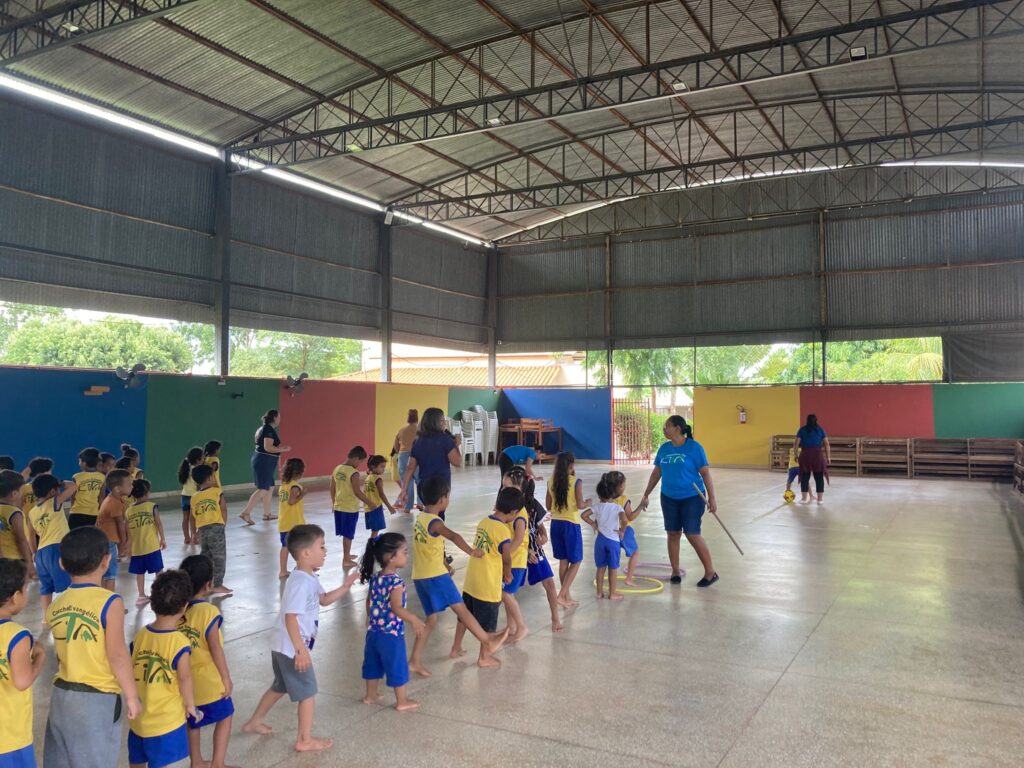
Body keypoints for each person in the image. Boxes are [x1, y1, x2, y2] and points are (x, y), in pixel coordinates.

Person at [242, 524, 360, 753]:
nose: (326, 551)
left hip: (283, 646)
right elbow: (290, 617)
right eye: (322, 547)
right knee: (308, 692)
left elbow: (324, 599)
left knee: (280, 686)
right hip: (291, 648)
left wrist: (346, 586)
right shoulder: (300, 583)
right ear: (306, 553)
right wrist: (300, 650)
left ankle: (254, 722)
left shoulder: (308, 577)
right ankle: (304, 740)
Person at [45, 526, 142, 768]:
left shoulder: (55, 606)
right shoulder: (110, 602)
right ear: (106, 561)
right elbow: (118, 655)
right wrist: (131, 696)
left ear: (62, 564)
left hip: (61, 696)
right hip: (96, 700)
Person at [407, 476, 508, 678]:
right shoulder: (436, 522)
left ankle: (414, 661)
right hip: (436, 577)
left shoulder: (421, 519)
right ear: (443, 499)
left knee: (432, 619)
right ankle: (487, 640)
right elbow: (453, 536)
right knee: (462, 610)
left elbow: (427, 547)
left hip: (420, 576)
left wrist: (445, 564)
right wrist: (471, 551)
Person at [638, 415, 719, 588]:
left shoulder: (694, 448)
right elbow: (656, 473)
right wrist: (646, 494)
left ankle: (710, 572)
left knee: (692, 533)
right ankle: (675, 571)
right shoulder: (664, 449)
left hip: (692, 497)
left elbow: (705, 473)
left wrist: (712, 498)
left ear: (677, 428)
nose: (664, 429)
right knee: (673, 533)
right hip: (668, 497)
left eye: (666, 426)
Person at [127, 570, 198, 768]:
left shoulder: (141, 635)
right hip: (167, 726)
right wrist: (191, 706)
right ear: (185, 607)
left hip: (139, 723)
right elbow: (184, 679)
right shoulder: (179, 643)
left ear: (152, 603)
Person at [451, 487, 523, 669]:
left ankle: (456, 647)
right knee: (489, 624)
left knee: (465, 616)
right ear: (514, 512)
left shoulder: (484, 522)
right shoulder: (503, 531)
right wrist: (507, 574)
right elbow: (506, 557)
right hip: (488, 585)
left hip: (472, 581)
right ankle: (484, 658)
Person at [179, 554, 236, 768]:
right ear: (208, 584)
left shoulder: (178, 610)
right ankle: (217, 764)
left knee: (193, 722)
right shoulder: (209, 611)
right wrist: (226, 677)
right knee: (226, 716)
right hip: (209, 681)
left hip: (184, 682)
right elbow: (214, 647)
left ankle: (196, 762)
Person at [359, 533, 424, 711]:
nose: (407, 555)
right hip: (391, 634)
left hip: (373, 632)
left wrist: (369, 617)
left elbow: (369, 601)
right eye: (404, 552)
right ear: (391, 557)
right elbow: (396, 607)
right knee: (397, 665)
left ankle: (370, 695)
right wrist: (414, 619)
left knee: (372, 663)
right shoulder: (396, 582)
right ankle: (402, 701)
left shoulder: (376, 577)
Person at [0, 558, 46, 768]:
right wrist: (39, 658)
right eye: (25, 589)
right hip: (10, 736)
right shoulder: (17, 635)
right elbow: (22, 681)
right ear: (16, 596)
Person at [396, 407, 462, 512]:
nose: (444, 423)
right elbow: (457, 462)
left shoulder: (418, 441)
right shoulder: (446, 440)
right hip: (440, 487)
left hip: (424, 487)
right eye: (442, 420)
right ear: (435, 422)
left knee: (428, 515)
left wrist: (404, 489)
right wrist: (457, 445)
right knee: (437, 519)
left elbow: (410, 468)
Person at [546, 452, 590, 608]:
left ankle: (566, 597)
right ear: (571, 466)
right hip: (570, 525)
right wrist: (588, 502)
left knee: (563, 560)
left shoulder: (551, 481)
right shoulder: (576, 482)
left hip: (556, 524)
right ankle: (561, 595)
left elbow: (547, 506)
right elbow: (580, 505)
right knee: (577, 561)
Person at [28, 473, 76, 611]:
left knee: (46, 588)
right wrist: (60, 482)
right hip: (57, 548)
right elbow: (74, 487)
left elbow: (30, 536)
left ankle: (46, 618)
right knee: (66, 584)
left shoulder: (32, 512)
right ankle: (67, 610)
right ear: (52, 491)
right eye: (57, 489)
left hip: (41, 552)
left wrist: (34, 552)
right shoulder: (54, 501)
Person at [524, 476, 563, 633]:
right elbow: (507, 536)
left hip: (536, 551)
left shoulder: (533, 505)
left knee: (550, 584)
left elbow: (541, 528)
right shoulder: (510, 507)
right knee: (506, 591)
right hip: (517, 554)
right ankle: (513, 625)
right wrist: (525, 551)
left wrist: (544, 537)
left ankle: (555, 618)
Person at [240, 410, 290, 526]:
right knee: (263, 488)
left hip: (265, 461)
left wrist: (279, 450)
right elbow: (268, 448)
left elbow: (268, 446)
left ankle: (267, 514)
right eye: (279, 417)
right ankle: (246, 512)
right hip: (263, 461)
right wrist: (283, 449)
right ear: (274, 418)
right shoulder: (268, 430)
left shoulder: (264, 429)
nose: (279, 419)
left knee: (270, 486)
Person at [583, 475, 627, 601]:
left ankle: (599, 593)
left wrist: (592, 523)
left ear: (599, 495)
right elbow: (624, 519)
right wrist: (622, 531)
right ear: (613, 494)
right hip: (613, 541)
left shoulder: (597, 507)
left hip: (600, 541)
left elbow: (584, 515)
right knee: (613, 569)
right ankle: (612, 594)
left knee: (600, 568)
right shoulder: (618, 507)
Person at [498, 468, 530, 644]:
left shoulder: (519, 513)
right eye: (502, 486)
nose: (503, 490)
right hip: (510, 559)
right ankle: (510, 627)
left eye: (506, 486)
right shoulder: (512, 509)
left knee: (505, 593)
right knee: (508, 593)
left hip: (515, 561)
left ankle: (521, 625)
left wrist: (505, 554)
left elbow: (518, 539)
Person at [330, 446, 374, 568]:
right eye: (360, 462)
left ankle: (347, 555)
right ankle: (346, 559)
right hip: (349, 508)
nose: (360, 465)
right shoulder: (354, 473)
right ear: (355, 459)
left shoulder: (337, 469)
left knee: (345, 534)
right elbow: (357, 492)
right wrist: (369, 502)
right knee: (348, 534)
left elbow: (332, 487)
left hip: (339, 506)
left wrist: (333, 502)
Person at [190, 465, 231, 595]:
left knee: (205, 557)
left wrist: (194, 533)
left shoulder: (194, 497)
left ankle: (204, 583)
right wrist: (223, 524)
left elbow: (192, 517)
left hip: (202, 530)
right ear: (208, 478)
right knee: (219, 557)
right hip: (216, 528)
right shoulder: (217, 491)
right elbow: (223, 508)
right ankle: (217, 584)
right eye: (213, 476)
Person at [126, 479, 166, 606]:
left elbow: (127, 531)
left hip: (136, 549)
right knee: (158, 570)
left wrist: (128, 547)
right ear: (147, 493)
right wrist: (162, 539)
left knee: (140, 573)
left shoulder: (128, 511)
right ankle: (160, 592)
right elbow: (158, 523)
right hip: (152, 546)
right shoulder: (151, 506)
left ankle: (141, 596)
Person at [604, 470, 641, 586]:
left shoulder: (605, 499)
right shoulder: (624, 499)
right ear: (620, 487)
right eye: (624, 484)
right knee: (635, 552)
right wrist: (641, 506)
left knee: (611, 558)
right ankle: (629, 578)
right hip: (624, 531)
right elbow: (630, 517)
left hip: (609, 532)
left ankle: (606, 582)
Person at [96, 469, 131, 591]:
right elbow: (120, 526)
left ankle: (104, 601)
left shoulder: (115, 499)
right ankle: (110, 604)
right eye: (129, 484)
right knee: (110, 574)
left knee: (106, 572)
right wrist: (122, 546)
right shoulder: (113, 503)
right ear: (117, 488)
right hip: (107, 543)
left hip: (104, 541)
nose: (131, 486)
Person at [0, 470, 34, 578]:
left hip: (3, 559)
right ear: (14, 494)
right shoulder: (15, 513)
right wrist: (29, 563)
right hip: (16, 560)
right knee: (18, 590)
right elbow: (21, 539)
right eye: (20, 491)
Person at [278, 458, 307, 579]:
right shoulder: (295, 487)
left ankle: (283, 570)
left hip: (284, 521)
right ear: (300, 472)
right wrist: (302, 494)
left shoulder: (284, 485)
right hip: (294, 522)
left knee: (285, 546)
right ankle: (302, 568)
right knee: (300, 546)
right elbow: (291, 501)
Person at [795, 414, 831, 504]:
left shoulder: (802, 429)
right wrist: (828, 457)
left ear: (807, 420)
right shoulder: (820, 430)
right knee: (819, 477)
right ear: (816, 420)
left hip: (805, 455)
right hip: (817, 455)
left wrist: (796, 455)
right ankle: (820, 500)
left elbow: (796, 443)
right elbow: (826, 443)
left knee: (804, 477)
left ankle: (804, 499)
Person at [69, 447, 104, 529]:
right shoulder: (102, 477)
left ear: (84, 463)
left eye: (79, 461)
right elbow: (101, 498)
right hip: (94, 513)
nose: (79, 463)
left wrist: (73, 508)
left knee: (75, 538)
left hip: (77, 513)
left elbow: (73, 496)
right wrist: (100, 513)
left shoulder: (76, 477)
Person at [363, 455, 396, 540]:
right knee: (375, 531)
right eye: (381, 467)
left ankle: (373, 543)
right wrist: (389, 507)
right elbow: (381, 494)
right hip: (376, 507)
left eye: (384, 467)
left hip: (368, 508)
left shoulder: (368, 478)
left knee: (374, 530)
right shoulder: (378, 479)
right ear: (373, 467)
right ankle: (371, 546)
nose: (383, 469)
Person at [392, 409, 419, 513]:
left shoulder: (401, 430)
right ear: (417, 418)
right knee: (419, 481)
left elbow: (395, 447)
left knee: (406, 483)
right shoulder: (420, 430)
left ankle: (408, 507)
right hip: (416, 456)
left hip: (403, 456)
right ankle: (420, 504)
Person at [178, 447, 204, 546]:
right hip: (194, 497)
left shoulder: (185, 467)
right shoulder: (197, 470)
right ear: (197, 459)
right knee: (193, 518)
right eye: (202, 458)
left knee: (185, 517)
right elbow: (198, 485)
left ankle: (186, 538)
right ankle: (194, 536)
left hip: (184, 496)